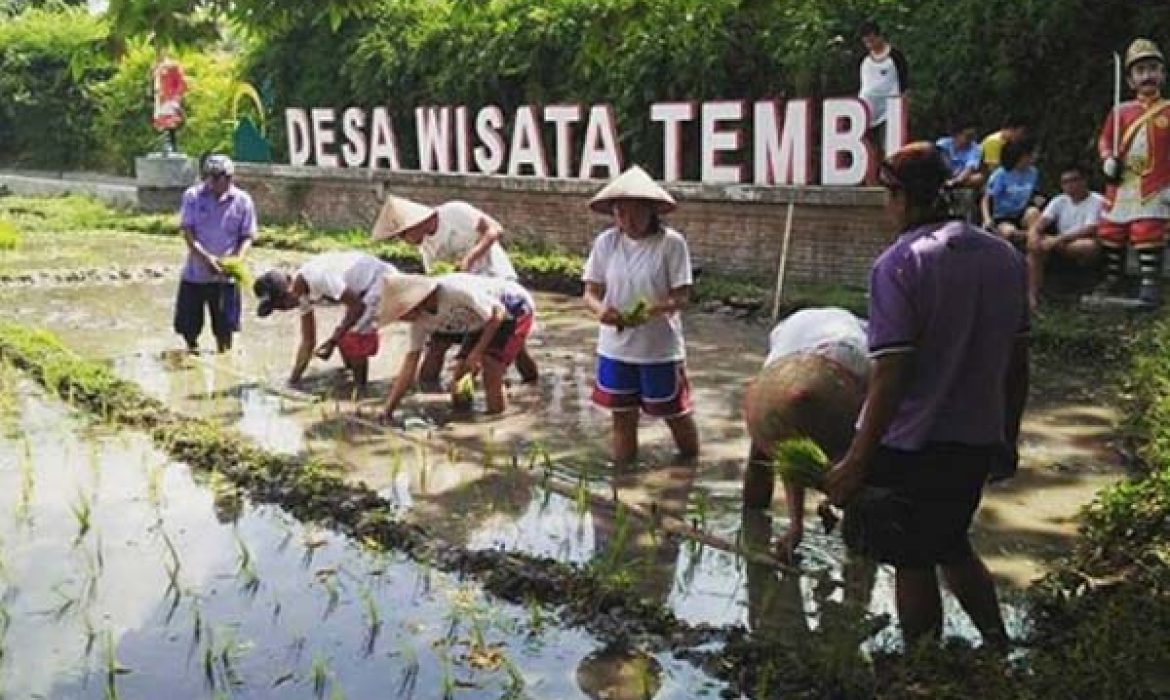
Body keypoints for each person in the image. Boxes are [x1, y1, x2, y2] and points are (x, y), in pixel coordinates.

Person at [825, 142, 1029, 649]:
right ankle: (997, 643)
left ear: (898, 197)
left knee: (911, 559)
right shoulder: (1004, 257)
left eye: (886, 195)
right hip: (976, 439)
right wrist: (1008, 436)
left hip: (912, 444)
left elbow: (891, 374)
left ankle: (922, 664)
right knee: (952, 543)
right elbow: (1018, 362)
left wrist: (856, 460)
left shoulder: (900, 264)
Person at [582, 165, 699, 465]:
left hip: (658, 349)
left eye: (635, 213)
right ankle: (623, 481)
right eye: (621, 213)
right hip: (615, 347)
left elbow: (682, 296)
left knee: (675, 414)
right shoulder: (606, 243)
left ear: (651, 211)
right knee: (622, 419)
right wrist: (602, 312)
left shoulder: (671, 244)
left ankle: (689, 467)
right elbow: (590, 292)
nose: (627, 221)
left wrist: (651, 310)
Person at [741, 307, 870, 561]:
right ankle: (860, 550)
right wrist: (796, 525)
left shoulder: (859, 355)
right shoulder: (780, 360)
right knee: (851, 460)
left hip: (839, 357)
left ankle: (753, 527)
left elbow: (795, 456)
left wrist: (798, 523)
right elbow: (796, 457)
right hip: (811, 353)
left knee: (857, 457)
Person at [370, 195, 539, 385]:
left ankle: (527, 382)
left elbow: (494, 230)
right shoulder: (427, 248)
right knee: (437, 344)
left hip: (495, 281)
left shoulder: (454, 212)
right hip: (461, 294)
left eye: (403, 235)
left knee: (507, 346)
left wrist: (470, 258)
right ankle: (432, 391)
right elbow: (434, 281)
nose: (404, 241)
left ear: (414, 224)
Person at [377, 272, 537, 417]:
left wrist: (476, 353)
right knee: (460, 373)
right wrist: (388, 409)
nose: (400, 320)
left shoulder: (454, 291)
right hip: (478, 321)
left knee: (491, 367)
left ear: (414, 303)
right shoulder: (419, 323)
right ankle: (463, 417)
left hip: (512, 308)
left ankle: (496, 424)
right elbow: (410, 365)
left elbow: (497, 314)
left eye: (400, 314)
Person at [252, 251, 398, 391]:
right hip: (361, 292)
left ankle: (360, 390)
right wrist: (293, 380)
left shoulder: (318, 276)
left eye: (282, 303)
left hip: (379, 280)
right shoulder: (299, 294)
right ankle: (349, 374)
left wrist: (333, 340)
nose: (284, 308)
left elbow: (358, 306)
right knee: (344, 332)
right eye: (278, 307)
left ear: (289, 286)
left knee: (351, 337)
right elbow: (308, 341)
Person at [1097, 38, 1170, 307]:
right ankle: (1112, 278)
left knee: (1147, 229)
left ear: (1162, 74)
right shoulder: (1120, 111)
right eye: (1140, 71)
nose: (1147, 75)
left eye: (1153, 68)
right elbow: (1105, 140)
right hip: (1123, 182)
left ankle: (1150, 283)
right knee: (1111, 231)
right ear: (1130, 80)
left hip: (1155, 181)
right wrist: (1107, 160)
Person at [173, 154, 256, 353]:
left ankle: (223, 354)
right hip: (196, 274)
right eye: (209, 178)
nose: (212, 183)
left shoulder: (242, 201)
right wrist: (206, 258)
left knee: (225, 328)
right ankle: (191, 350)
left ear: (229, 178)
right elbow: (188, 232)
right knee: (188, 327)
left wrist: (237, 260)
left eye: (217, 178)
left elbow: (248, 236)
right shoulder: (193, 197)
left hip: (225, 278)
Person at [1025, 164, 1105, 310]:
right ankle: (1032, 296)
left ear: (1084, 180)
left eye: (1074, 180)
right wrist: (1035, 234)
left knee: (1086, 246)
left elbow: (1090, 228)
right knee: (1035, 247)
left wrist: (1057, 239)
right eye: (1065, 182)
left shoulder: (1097, 200)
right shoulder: (1059, 200)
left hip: (1082, 242)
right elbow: (1043, 221)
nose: (1070, 185)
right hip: (1060, 243)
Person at [858, 20, 909, 156]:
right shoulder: (864, 59)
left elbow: (904, 82)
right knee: (869, 146)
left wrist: (903, 101)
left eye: (872, 40)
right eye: (866, 42)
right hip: (867, 109)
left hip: (889, 109)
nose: (870, 44)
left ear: (879, 37)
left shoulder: (895, 56)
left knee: (889, 144)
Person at [982, 136, 1041, 246]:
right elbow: (986, 198)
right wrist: (987, 219)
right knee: (1010, 233)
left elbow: (1035, 193)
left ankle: (1034, 243)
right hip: (1003, 216)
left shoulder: (1033, 172)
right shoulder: (1000, 175)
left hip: (1022, 213)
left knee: (1033, 213)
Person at [936, 122, 984, 190]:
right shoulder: (943, 144)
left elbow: (970, 168)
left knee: (978, 178)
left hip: (963, 176)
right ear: (956, 135)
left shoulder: (976, 148)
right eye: (968, 136)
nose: (970, 140)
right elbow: (940, 161)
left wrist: (956, 181)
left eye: (972, 136)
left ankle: (952, 186)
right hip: (945, 173)